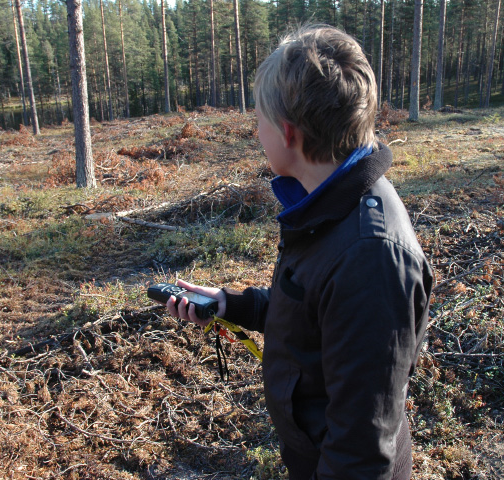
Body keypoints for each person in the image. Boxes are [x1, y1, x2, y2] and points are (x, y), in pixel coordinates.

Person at [166, 24, 433, 480]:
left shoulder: (371, 258)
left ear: (287, 132)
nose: (256, 134)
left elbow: (361, 455)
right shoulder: (328, 203)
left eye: (259, 121)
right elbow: (313, 314)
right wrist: (233, 304)